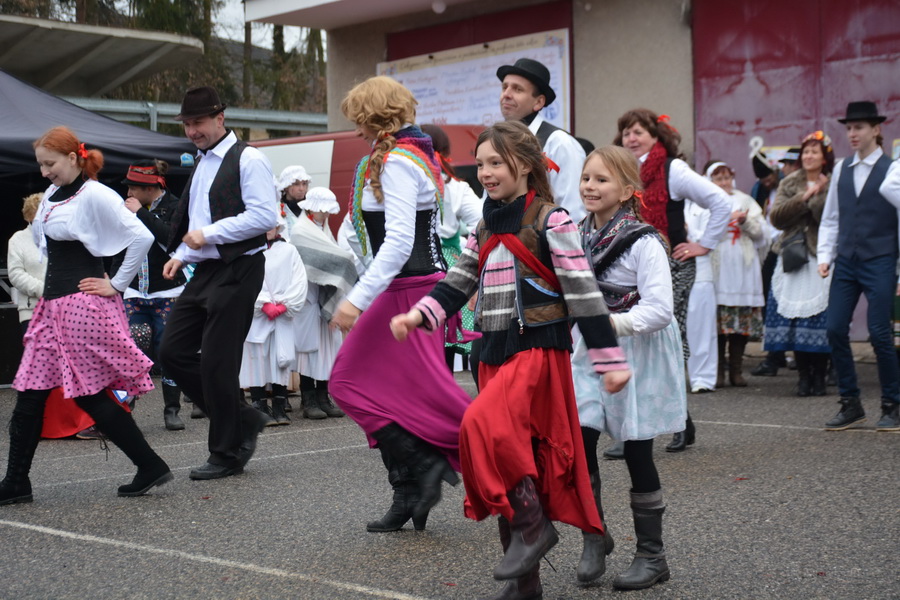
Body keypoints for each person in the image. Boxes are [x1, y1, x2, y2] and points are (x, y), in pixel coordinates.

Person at [391, 121, 631, 599]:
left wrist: (609, 361)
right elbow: (460, 279)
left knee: (480, 426)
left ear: (523, 165)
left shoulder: (552, 220)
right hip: (493, 354)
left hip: (536, 352)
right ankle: (526, 583)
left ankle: (535, 528)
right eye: (480, 164)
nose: (485, 172)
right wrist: (420, 315)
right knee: (509, 459)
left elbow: (583, 294)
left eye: (495, 163)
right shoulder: (485, 224)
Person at [327, 76, 472, 533]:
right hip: (406, 286)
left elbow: (398, 242)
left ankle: (434, 464)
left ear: (374, 117)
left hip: (407, 289)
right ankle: (408, 490)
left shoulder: (396, 162)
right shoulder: (410, 155)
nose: (355, 129)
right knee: (400, 393)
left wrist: (355, 300)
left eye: (358, 119)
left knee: (348, 383)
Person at [0, 126, 172, 505]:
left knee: (89, 395)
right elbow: (46, 245)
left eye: (50, 163)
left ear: (72, 158)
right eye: (41, 164)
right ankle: (16, 482)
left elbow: (141, 236)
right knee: (29, 392)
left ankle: (149, 464)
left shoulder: (95, 193)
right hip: (52, 307)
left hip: (80, 305)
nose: (44, 171)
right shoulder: (51, 194)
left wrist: (117, 284)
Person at [571, 145, 682, 590]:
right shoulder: (574, 234)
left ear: (627, 190)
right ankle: (594, 534)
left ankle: (652, 556)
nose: (590, 186)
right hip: (589, 350)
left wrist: (605, 323)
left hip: (636, 350)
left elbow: (660, 310)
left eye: (602, 179)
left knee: (637, 451)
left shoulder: (644, 241)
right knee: (579, 439)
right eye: (586, 177)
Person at [158, 86, 278, 480]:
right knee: (172, 352)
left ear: (220, 118)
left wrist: (207, 235)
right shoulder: (202, 161)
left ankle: (226, 453)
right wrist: (182, 254)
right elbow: (197, 222)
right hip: (207, 270)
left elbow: (264, 217)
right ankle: (243, 417)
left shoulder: (249, 158)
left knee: (217, 363)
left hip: (240, 268)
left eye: (198, 122)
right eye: (187, 124)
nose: (192, 130)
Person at [613, 108, 731, 454]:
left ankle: (677, 421)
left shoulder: (672, 169)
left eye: (638, 132)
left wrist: (704, 244)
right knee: (631, 344)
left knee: (666, 341)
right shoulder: (619, 170)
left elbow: (720, 202)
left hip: (671, 267)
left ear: (655, 136)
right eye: (626, 132)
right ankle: (634, 430)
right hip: (629, 269)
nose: (631, 138)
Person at [818, 101, 900, 431]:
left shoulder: (892, 169)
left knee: (879, 333)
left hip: (881, 259)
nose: (852, 133)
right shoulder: (841, 168)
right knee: (835, 328)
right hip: (847, 261)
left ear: (876, 130)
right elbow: (831, 217)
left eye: (859, 127)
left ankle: (892, 404)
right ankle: (851, 403)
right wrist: (825, 256)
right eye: (849, 128)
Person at [110, 160, 190, 431]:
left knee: (168, 351)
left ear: (148, 188)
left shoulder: (175, 206)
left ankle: (172, 409)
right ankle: (124, 407)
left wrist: (141, 214)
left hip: (168, 292)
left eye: (133, 188)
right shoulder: (127, 209)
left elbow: (170, 239)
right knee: (131, 349)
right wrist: (114, 283)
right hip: (134, 292)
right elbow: (120, 247)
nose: (128, 193)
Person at [764, 132, 835, 397]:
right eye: (806, 151)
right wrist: (805, 196)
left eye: (814, 152)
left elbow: (828, 216)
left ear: (824, 157)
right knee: (795, 318)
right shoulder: (790, 182)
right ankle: (804, 377)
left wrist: (818, 195)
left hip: (821, 255)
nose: (809, 156)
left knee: (820, 318)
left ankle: (820, 376)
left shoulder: (833, 182)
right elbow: (777, 218)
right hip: (793, 255)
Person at [419, 123, 483, 369]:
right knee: (442, 335)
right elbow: (482, 224)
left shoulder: (402, 181)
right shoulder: (456, 187)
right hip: (448, 264)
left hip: (410, 264)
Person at [290, 186, 356, 420]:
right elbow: (323, 259)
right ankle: (308, 399)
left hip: (324, 296)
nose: (327, 214)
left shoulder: (323, 229)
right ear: (312, 208)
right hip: (308, 297)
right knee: (309, 349)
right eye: (323, 210)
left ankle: (323, 396)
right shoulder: (300, 231)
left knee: (328, 348)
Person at [497, 57, 586, 222]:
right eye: (504, 87)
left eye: (517, 89)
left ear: (538, 102)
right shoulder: (497, 142)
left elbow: (573, 212)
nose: (506, 95)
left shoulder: (559, 143)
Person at [240, 218, 308, 426]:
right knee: (256, 358)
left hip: (281, 313)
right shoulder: (248, 251)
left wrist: (286, 304)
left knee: (281, 358)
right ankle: (259, 405)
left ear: (278, 227)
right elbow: (243, 280)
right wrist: (262, 303)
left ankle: (279, 405)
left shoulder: (289, 250)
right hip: (257, 314)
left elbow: (299, 279)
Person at [704, 161, 766, 387]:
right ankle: (719, 370)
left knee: (740, 322)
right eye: (718, 179)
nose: (724, 183)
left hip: (743, 264)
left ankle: (736, 370)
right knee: (718, 323)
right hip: (719, 264)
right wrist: (725, 219)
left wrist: (745, 221)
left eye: (726, 178)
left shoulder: (745, 200)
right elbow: (699, 231)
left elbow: (762, 234)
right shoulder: (704, 202)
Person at [684, 200, 717, 393]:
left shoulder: (705, 204)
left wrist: (686, 230)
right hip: (672, 268)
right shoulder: (671, 202)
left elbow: (709, 237)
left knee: (701, 326)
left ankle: (703, 378)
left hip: (700, 271)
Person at [7, 193, 45, 338]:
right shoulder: (18, 239)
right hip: (32, 312)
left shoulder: (60, 237)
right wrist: (43, 289)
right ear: (30, 216)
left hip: (63, 309)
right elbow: (16, 274)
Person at [276, 165, 311, 234]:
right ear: (286, 187)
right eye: (296, 184)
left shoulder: (311, 208)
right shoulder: (276, 209)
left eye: (304, 184)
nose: (301, 189)